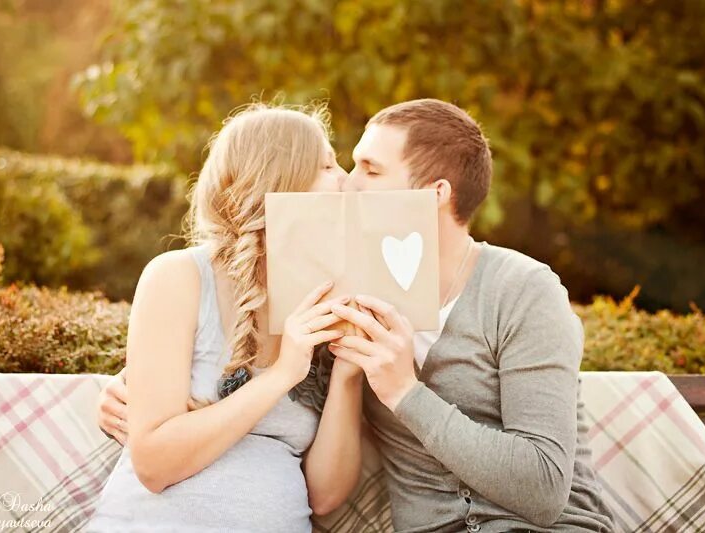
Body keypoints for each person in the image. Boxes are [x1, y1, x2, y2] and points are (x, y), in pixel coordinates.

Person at [98, 99, 615, 532]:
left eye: (369, 169)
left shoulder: (522, 290)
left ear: (434, 193)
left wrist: (396, 389)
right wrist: (131, 386)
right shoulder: (332, 295)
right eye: (339, 166)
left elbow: (544, 489)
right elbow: (172, 423)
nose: (348, 183)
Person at [86, 102, 365, 533]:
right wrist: (280, 375)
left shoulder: (330, 299)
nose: (346, 180)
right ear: (281, 178)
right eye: (328, 165)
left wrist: (348, 374)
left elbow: (325, 496)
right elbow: (154, 464)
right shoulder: (178, 276)